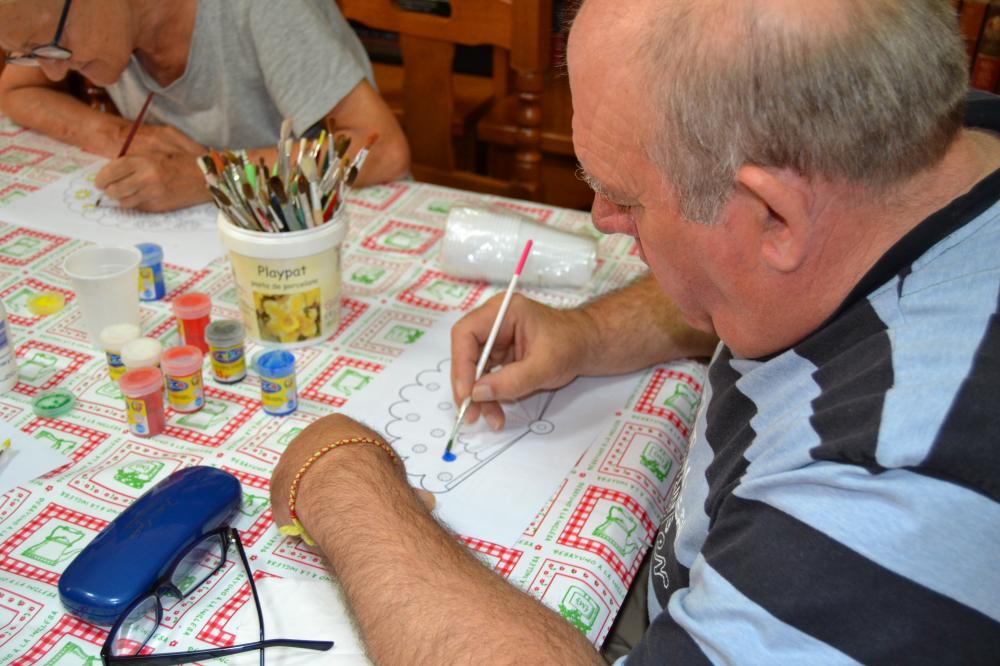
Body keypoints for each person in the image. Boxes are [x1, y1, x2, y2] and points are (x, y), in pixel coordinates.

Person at [271, 0, 1000, 662]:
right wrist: (587, 332)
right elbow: (758, 263)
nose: (600, 222)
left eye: (624, 198)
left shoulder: (894, 482)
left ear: (773, 217)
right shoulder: (934, 145)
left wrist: (345, 483)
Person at [0, 0, 409, 212]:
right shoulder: (79, 25)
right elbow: (15, 91)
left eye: (52, 46)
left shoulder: (262, 8)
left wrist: (214, 179)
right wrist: (126, 135)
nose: (54, 73)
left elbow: (384, 151)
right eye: (30, 54)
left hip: (314, 234)